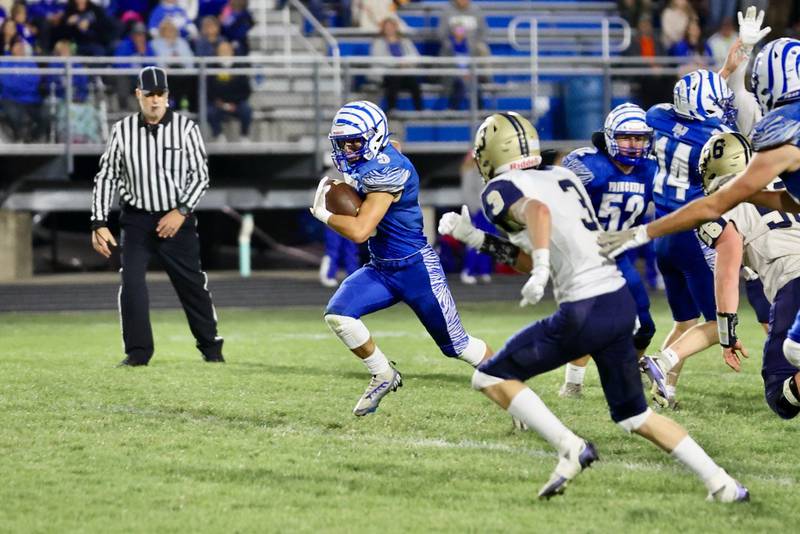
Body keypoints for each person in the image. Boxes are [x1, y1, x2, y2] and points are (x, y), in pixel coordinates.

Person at [438, 111, 748, 502]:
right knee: (635, 416)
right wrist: (475, 238)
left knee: (489, 377)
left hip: (585, 307)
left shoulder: (502, 188)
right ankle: (722, 484)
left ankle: (570, 447)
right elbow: (530, 255)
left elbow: (539, 216)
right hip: (618, 302)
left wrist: (544, 266)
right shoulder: (563, 176)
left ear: (489, 155)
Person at [598, 37, 800, 384]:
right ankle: (667, 370)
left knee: (687, 319)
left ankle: (663, 378)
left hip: (672, 229)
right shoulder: (719, 136)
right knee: (739, 324)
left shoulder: (656, 117)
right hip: (700, 230)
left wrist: (725, 70)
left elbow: (693, 108)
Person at [309, 100, 492, 416]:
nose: (348, 149)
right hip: (381, 268)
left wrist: (324, 215)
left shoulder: (389, 171)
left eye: (355, 141)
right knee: (339, 314)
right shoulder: (378, 155)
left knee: (459, 347)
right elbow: (391, 144)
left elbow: (360, 231)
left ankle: (516, 392)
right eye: (342, 143)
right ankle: (383, 373)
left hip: (415, 269)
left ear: (374, 137)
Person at [643, 132, 800, 420]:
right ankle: (663, 364)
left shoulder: (722, 206)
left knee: (781, 394)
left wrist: (728, 337)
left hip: (793, 279)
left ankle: (663, 363)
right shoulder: (786, 181)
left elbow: (727, 274)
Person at [90, 66, 224, 367]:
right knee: (132, 284)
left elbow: (200, 177)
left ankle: (211, 348)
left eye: (160, 94)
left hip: (176, 220)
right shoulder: (121, 130)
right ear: (138, 95)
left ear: (167, 96)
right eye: (149, 94)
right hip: (136, 220)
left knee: (192, 285)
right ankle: (137, 353)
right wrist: (98, 222)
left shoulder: (186, 128)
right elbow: (107, 176)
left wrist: (181, 211)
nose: (155, 100)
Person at [556, 103, 657, 398]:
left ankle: (629, 375)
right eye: (627, 137)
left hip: (619, 254)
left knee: (645, 328)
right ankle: (573, 383)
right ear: (610, 137)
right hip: (585, 254)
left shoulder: (650, 170)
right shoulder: (588, 165)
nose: (634, 144)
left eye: (639, 139)